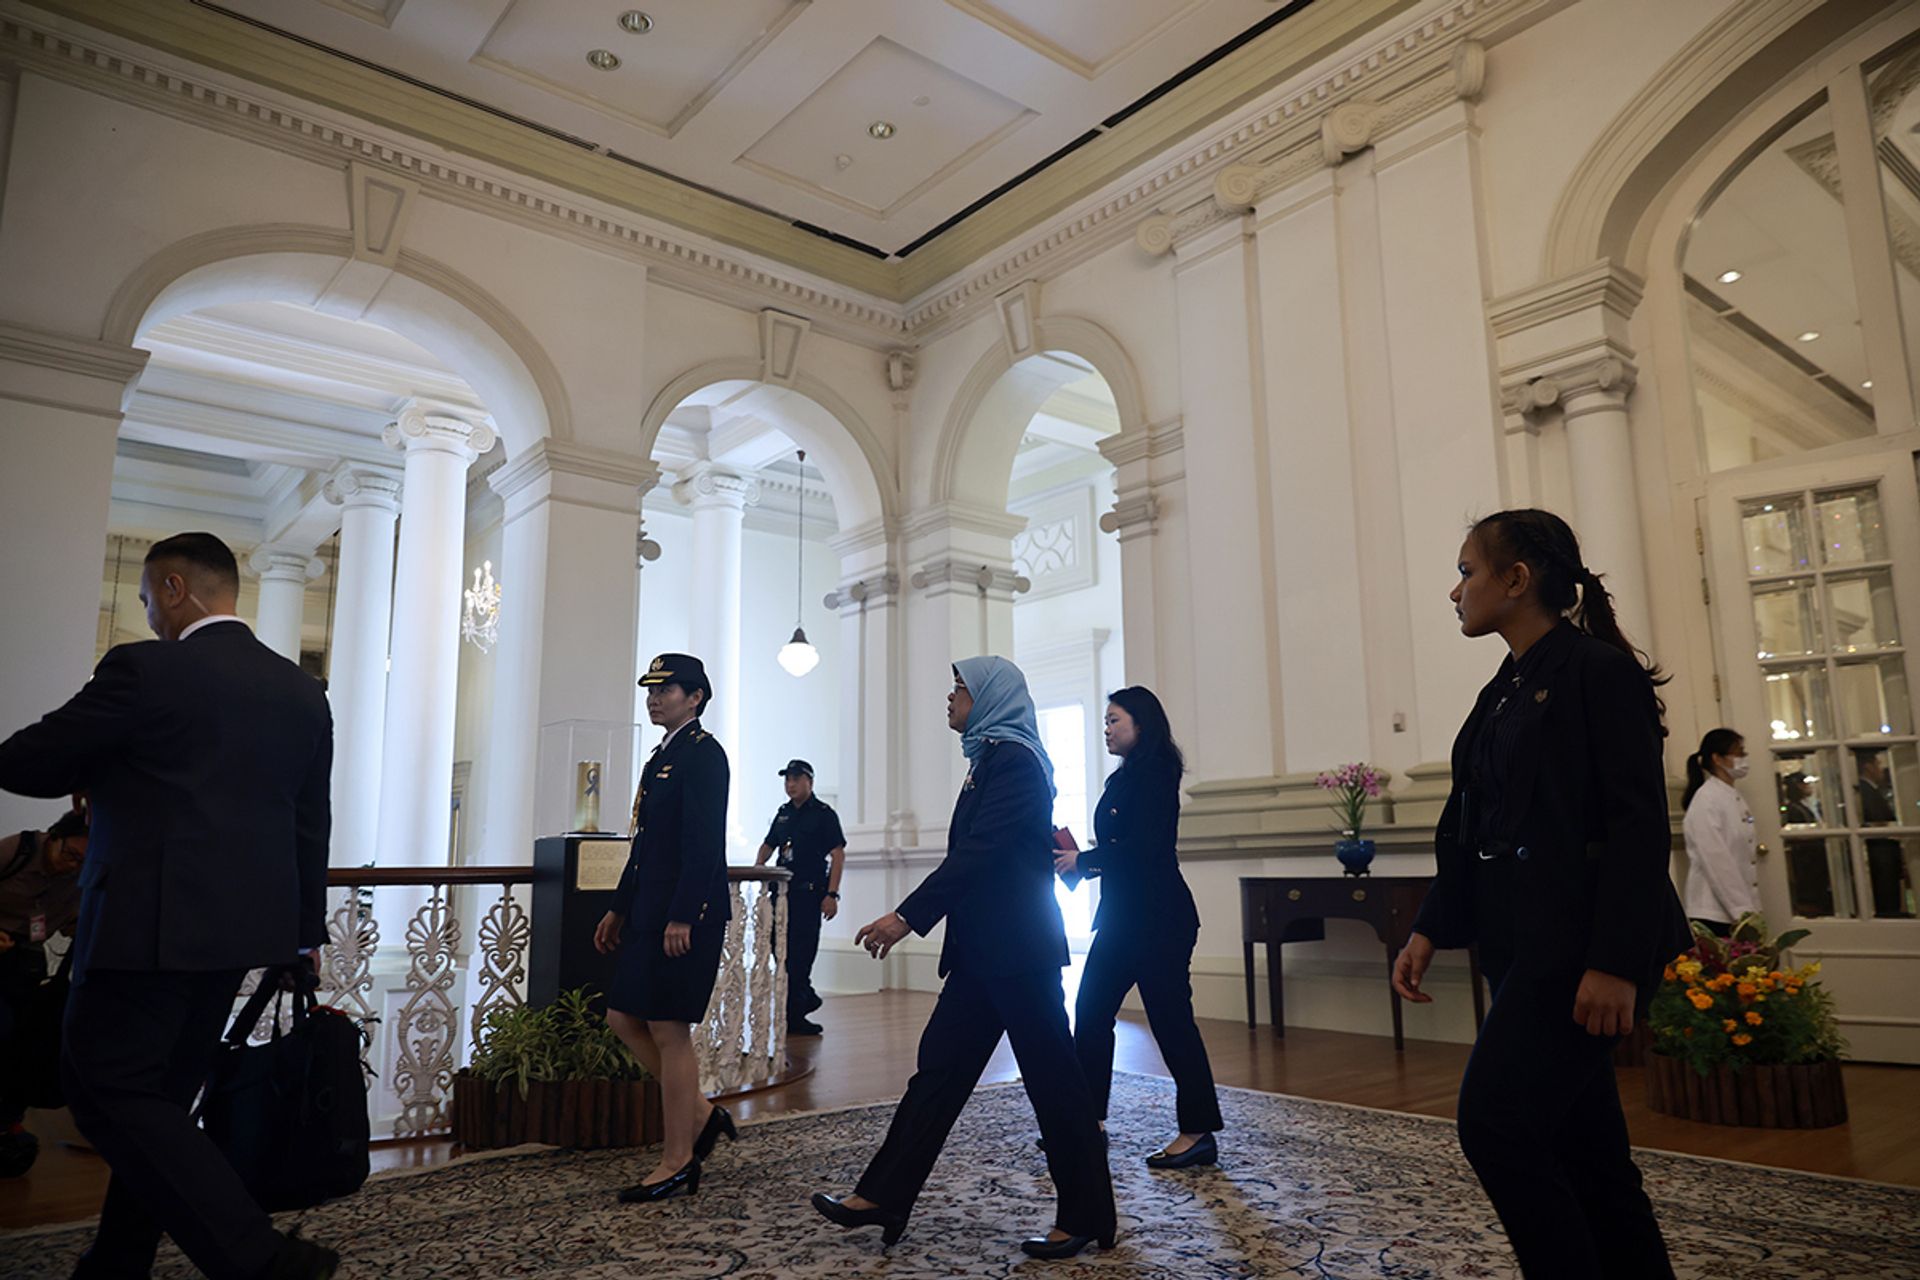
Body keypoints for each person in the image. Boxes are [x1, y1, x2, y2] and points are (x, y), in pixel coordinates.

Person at [0, 531, 338, 1279]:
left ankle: (263, 1259)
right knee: (157, 1107)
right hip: (242, 934)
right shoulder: (300, 690)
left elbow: (25, 760)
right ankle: (116, 1262)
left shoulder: (147, 668)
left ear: (177, 589)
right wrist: (301, 931)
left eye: (151, 600)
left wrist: (103, 763)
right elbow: (310, 822)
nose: (151, 616)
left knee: (107, 1094)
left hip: (142, 926)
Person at [1390, 509, 1689, 1280]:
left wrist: (1617, 963)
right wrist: (1430, 926)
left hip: (1581, 947)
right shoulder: (1505, 688)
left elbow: (1638, 827)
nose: (1454, 590)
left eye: (1467, 571)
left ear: (1517, 580)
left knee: (1495, 1125)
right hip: (1523, 942)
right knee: (1587, 1150)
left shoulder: (1595, 670)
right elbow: (1471, 817)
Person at [812, 657, 1117, 1259]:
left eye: (958, 690)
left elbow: (979, 855)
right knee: (939, 1076)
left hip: (1019, 954)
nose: (948, 700)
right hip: (984, 955)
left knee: (1054, 1083)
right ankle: (884, 1194)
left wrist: (907, 917)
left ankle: (1087, 1214)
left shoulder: (1017, 764)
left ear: (990, 699)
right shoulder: (989, 761)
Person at [1053, 686, 1222, 1169]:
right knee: (1089, 1012)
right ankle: (1089, 1122)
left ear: (1141, 724)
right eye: (1104, 721)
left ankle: (1197, 1132)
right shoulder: (1123, 778)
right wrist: (1081, 860)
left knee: (1170, 1023)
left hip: (1159, 920)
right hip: (1125, 919)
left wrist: (1083, 860)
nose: (1106, 729)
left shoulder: (1155, 772)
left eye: (1114, 720)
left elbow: (1146, 848)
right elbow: (1124, 846)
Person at [594, 653, 734, 1204]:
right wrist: (618, 907)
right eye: (651, 690)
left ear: (695, 696)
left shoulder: (704, 756)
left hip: (683, 916)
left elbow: (704, 844)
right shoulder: (661, 759)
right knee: (621, 1017)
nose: (654, 698)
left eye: (667, 689)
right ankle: (700, 1114)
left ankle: (678, 1161)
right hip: (650, 913)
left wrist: (684, 914)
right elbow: (645, 845)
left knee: (670, 1030)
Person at [0, 807, 88, 1176]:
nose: (71, 865)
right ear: (53, 837)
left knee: (26, 1040)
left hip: (25, 964)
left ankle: (8, 1124)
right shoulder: (16, 851)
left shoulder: (77, 877)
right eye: (68, 855)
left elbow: (69, 922)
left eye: (82, 861)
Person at [754, 759, 845, 1037]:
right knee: (778, 951)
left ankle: (795, 1015)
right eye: (787, 780)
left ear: (810, 782)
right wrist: (758, 872)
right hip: (780, 896)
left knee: (800, 957)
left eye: (796, 779)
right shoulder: (783, 814)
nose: (790, 785)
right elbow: (768, 845)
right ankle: (804, 1000)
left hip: (808, 896)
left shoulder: (824, 814)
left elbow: (837, 854)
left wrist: (832, 894)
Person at [1679, 728, 1759, 937]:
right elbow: (1716, 860)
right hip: (1713, 911)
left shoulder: (1731, 796)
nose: (1743, 759)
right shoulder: (1707, 800)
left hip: (1734, 907)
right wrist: (1742, 911)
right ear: (1717, 759)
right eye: (1738, 753)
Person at [1855, 750, 1912, 918]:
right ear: (1868, 767)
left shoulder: (1870, 790)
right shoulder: (1865, 791)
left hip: (1884, 857)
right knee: (1887, 902)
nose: (1881, 768)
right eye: (1878, 764)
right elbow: (1876, 820)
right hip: (1881, 857)